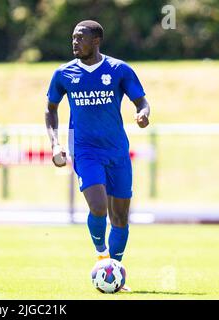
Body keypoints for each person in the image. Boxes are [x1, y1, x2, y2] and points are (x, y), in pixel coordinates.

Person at [45, 20, 150, 291]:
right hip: (86, 150)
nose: (74, 42)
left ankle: (115, 269)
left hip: (117, 151)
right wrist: (55, 143)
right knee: (98, 207)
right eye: (73, 37)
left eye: (80, 38)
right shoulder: (63, 74)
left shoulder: (119, 70)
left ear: (96, 41)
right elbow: (51, 109)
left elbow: (141, 101)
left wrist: (143, 113)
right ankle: (102, 256)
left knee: (120, 217)